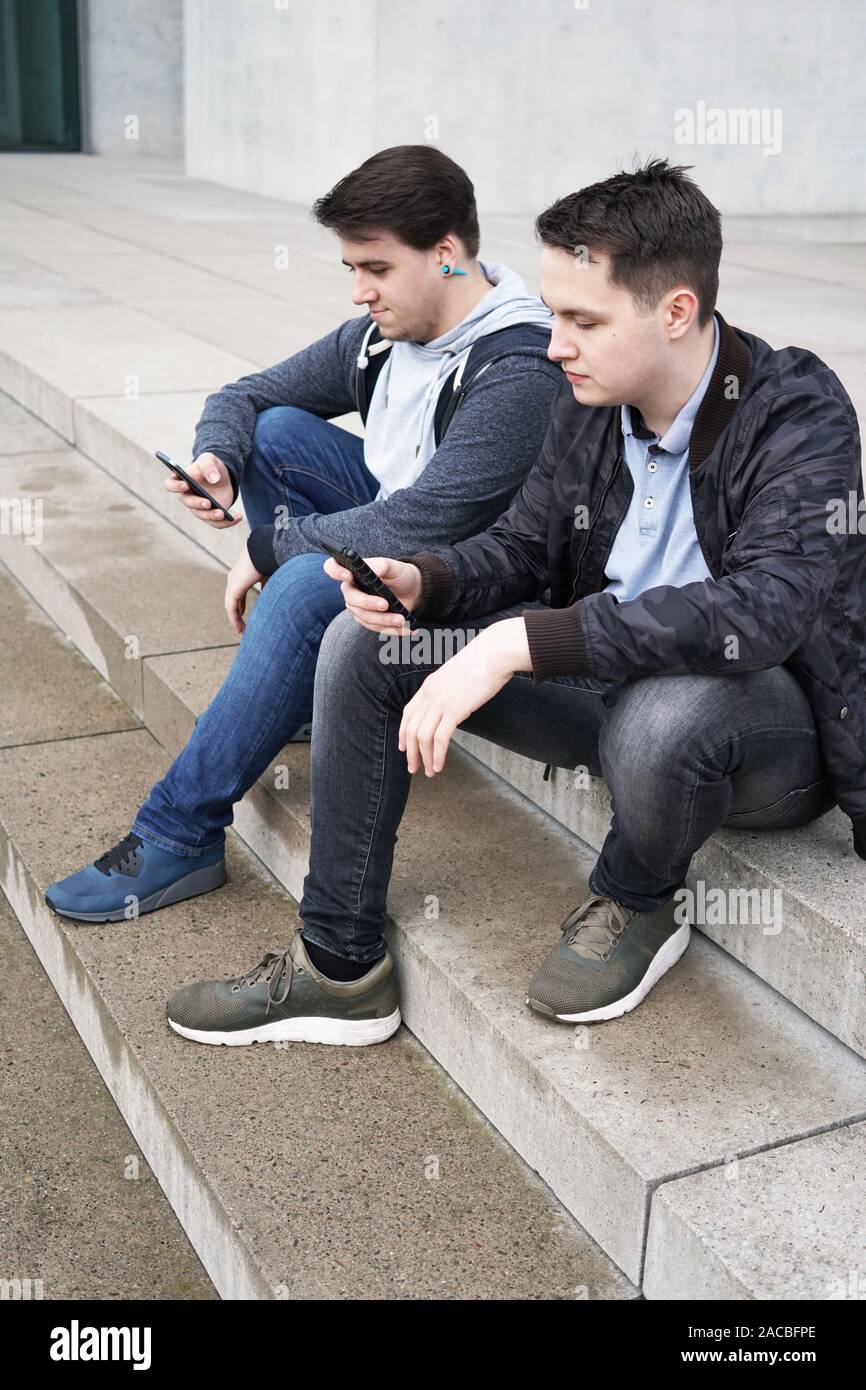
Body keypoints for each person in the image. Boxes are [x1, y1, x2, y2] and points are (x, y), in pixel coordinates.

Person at [161, 158, 866, 1047]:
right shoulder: (587, 394)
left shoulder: (794, 408)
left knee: (664, 716)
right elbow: (526, 545)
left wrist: (514, 645)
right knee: (363, 643)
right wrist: (429, 580)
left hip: (760, 728)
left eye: (582, 318)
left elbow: (763, 611)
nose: (554, 340)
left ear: (676, 311)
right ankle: (338, 969)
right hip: (604, 677)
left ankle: (637, 902)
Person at [44, 144, 561, 962]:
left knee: (293, 589)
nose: (359, 291)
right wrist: (218, 459)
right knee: (277, 436)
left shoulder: (519, 369)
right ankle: (298, 691)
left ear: (447, 255)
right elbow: (246, 397)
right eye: (351, 267)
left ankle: (180, 835)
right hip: (404, 541)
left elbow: (425, 520)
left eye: (375, 268)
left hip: (471, 583)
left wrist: (272, 545)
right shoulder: (382, 337)